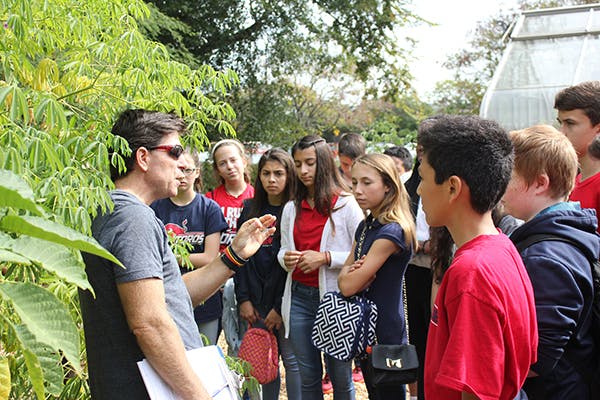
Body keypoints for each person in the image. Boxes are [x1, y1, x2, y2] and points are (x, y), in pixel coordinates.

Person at [79, 109, 276, 400]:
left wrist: (234, 255)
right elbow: (150, 323)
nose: (183, 164)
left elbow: (167, 297)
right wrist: (199, 395)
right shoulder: (133, 219)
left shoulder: (113, 210)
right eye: (175, 152)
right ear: (143, 158)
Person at [417, 115, 538, 400]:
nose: (419, 190)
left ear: (452, 188)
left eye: (422, 178)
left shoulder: (471, 273)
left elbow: (476, 391)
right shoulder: (502, 247)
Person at [500, 125, 599, 400]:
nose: (500, 185)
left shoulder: (547, 256)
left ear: (541, 183)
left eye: (508, 176)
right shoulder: (566, 235)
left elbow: (538, 359)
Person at [278, 135, 363, 400]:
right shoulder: (292, 207)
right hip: (300, 298)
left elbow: (361, 252)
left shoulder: (347, 204)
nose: (303, 171)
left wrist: (325, 258)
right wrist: (286, 259)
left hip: (336, 301)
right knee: (308, 377)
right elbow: (282, 249)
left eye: (310, 163)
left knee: (340, 377)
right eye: (298, 164)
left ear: (325, 163)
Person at [338, 153, 416, 399]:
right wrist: (349, 274)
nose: (358, 190)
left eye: (367, 182)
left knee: (389, 394)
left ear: (388, 187)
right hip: (364, 327)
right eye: (354, 183)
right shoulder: (366, 226)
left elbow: (349, 286)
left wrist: (350, 275)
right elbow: (344, 280)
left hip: (386, 331)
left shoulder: (392, 231)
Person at [234, 148, 301, 400]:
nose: (272, 179)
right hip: (254, 301)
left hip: (284, 303)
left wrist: (278, 307)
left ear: (289, 176)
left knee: (292, 364)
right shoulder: (250, 208)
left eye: (279, 173)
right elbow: (238, 257)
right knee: (259, 362)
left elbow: (290, 264)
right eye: (266, 173)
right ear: (259, 176)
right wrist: (243, 300)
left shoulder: (296, 211)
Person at [151, 149, 228, 345]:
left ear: (197, 172)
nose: (182, 175)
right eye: (178, 169)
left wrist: (169, 257)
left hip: (206, 299)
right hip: (165, 297)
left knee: (204, 354)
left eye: (188, 170)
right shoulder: (156, 207)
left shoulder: (209, 209)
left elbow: (209, 258)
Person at [206, 139, 255, 355]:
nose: (230, 167)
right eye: (222, 163)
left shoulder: (257, 197)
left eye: (233, 160)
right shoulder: (210, 200)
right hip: (217, 279)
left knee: (246, 344)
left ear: (244, 162)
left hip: (249, 280)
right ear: (217, 169)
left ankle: (247, 388)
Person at [555, 80, 600, 232]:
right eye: (560, 123)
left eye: (570, 123)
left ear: (598, 129)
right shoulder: (572, 182)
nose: (562, 132)